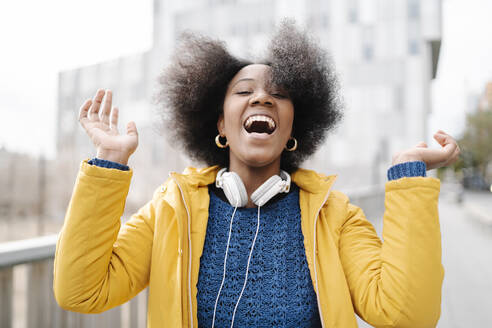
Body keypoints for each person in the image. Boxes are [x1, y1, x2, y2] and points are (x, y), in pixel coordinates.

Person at [53, 21, 459, 328]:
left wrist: (409, 174)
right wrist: (108, 161)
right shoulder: (169, 209)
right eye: (244, 91)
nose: (262, 96)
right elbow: (81, 291)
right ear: (221, 126)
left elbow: (408, 313)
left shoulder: (335, 216)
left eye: (279, 94)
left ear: (292, 131)